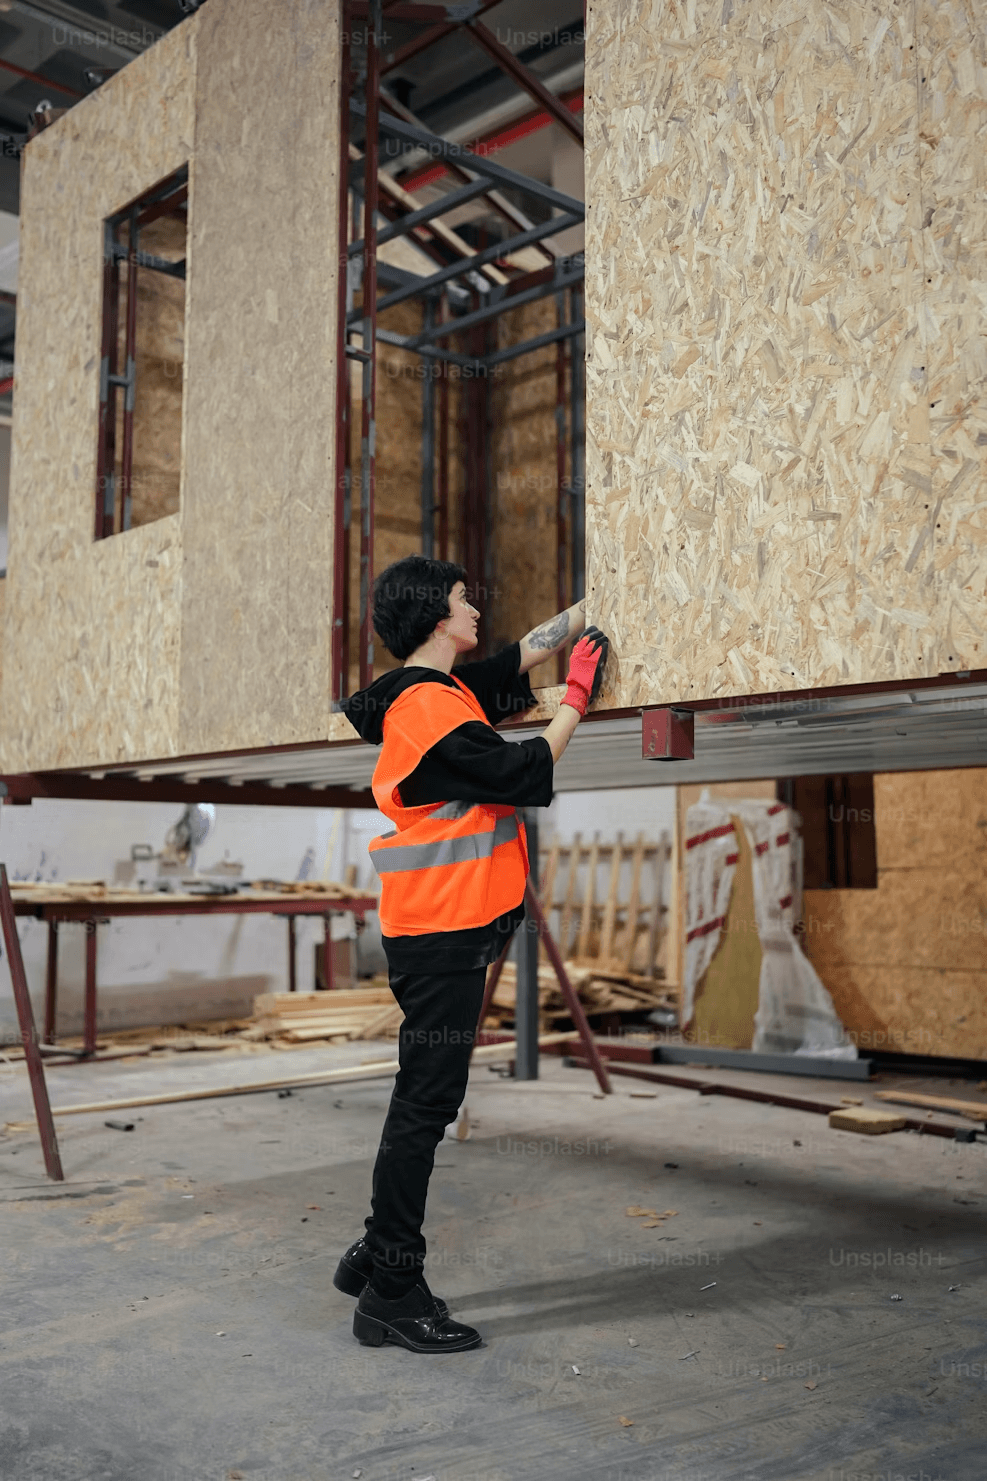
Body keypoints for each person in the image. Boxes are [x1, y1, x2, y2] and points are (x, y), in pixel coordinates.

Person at [334, 554, 609, 1354]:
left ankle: (375, 1249)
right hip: (439, 931)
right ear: (432, 615)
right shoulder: (426, 711)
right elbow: (519, 769)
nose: (475, 609)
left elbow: (514, 659)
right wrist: (580, 698)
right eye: (463, 599)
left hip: (439, 928)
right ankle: (391, 1286)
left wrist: (591, 610)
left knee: (425, 1100)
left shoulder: (439, 692)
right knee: (425, 1104)